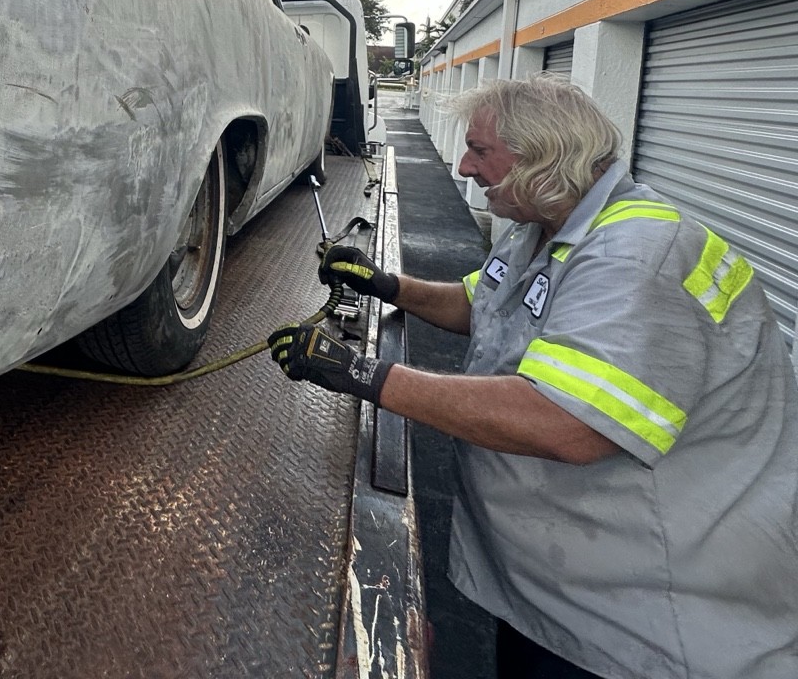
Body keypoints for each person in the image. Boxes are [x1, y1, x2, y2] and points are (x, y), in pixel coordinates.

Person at [269, 74, 798, 679]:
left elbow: (565, 422)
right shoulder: (544, 227)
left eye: (481, 151)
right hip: (571, 588)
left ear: (546, 156)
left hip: (643, 626)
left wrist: (364, 373)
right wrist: (387, 285)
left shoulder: (637, 257)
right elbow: (483, 305)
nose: (464, 165)